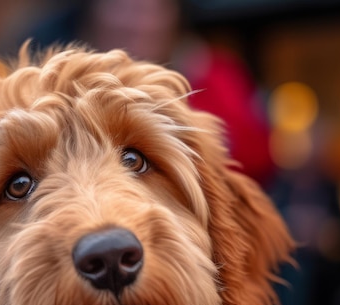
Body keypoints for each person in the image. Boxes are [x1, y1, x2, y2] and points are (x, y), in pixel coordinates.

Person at [25, 0, 274, 186]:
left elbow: (261, 156)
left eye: (154, 8)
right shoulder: (49, 93)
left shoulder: (215, 75)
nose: (140, 23)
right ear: (92, 14)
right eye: (124, 7)